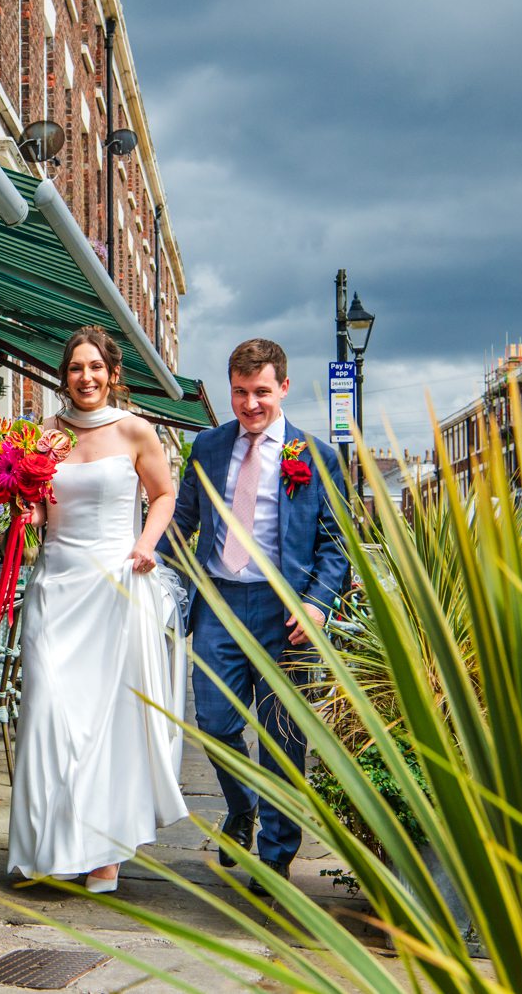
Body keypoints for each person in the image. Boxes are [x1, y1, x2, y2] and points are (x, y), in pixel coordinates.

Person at [157, 338, 348, 893]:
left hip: (285, 612)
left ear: (283, 387)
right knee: (215, 724)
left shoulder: (316, 457)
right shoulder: (209, 446)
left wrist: (316, 604)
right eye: (240, 392)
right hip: (217, 603)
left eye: (261, 391)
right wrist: (148, 563)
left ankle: (276, 856)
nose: (250, 404)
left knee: (283, 736)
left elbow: (336, 543)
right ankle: (242, 807)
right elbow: (182, 520)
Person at [7, 328, 189, 894]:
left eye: (94, 367)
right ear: (64, 376)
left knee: (106, 723)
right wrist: (24, 512)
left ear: (112, 374)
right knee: (48, 712)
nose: (85, 377)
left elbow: (164, 494)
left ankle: (105, 853)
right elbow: (42, 510)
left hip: (114, 586)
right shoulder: (44, 435)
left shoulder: (135, 430)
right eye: (75, 368)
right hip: (56, 587)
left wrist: (146, 544)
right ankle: (50, 846)